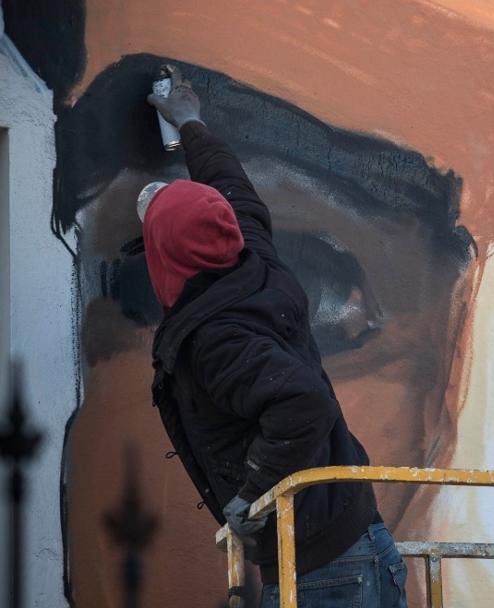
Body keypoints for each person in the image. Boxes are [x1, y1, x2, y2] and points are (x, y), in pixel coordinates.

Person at [143, 66, 408, 608]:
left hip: (321, 568)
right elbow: (231, 189)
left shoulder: (216, 337)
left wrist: (252, 495)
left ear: (165, 256)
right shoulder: (250, 257)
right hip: (354, 544)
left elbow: (301, 401)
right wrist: (190, 122)